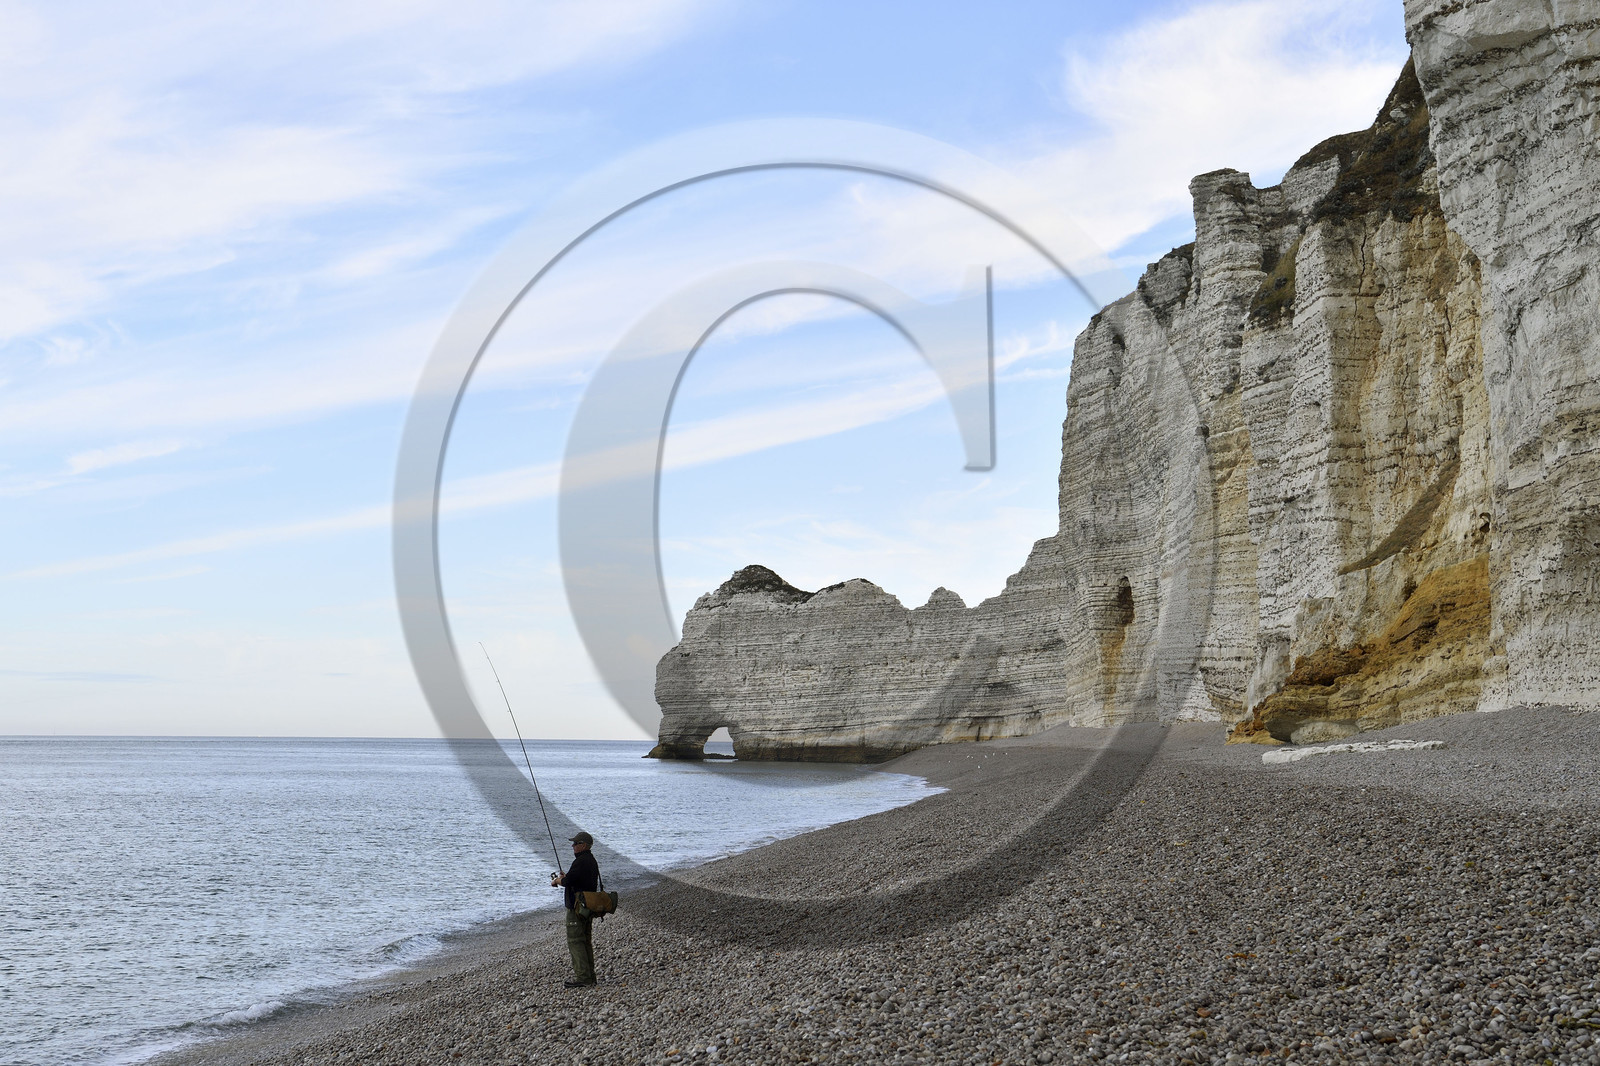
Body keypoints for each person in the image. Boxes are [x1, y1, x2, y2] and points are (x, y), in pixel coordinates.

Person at [550, 830, 600, 987]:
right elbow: (576, 880)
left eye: (575, 843)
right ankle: (590, 976)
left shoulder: (580, 861)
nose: (573, 846)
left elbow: (567, 882)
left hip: (577, 908)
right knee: (585, 941)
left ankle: (583, 978)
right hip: (588, 907)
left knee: (575, 941)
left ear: (583, 845)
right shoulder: (590, 860)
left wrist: (557, 881)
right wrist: (566, 878)